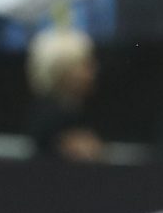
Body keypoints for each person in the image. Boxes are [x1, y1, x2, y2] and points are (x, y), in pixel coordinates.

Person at [25, 25, 105, 162]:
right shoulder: (49, 118)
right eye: (84, 64)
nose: (93, 72)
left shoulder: (79, 110)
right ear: (61, 71)